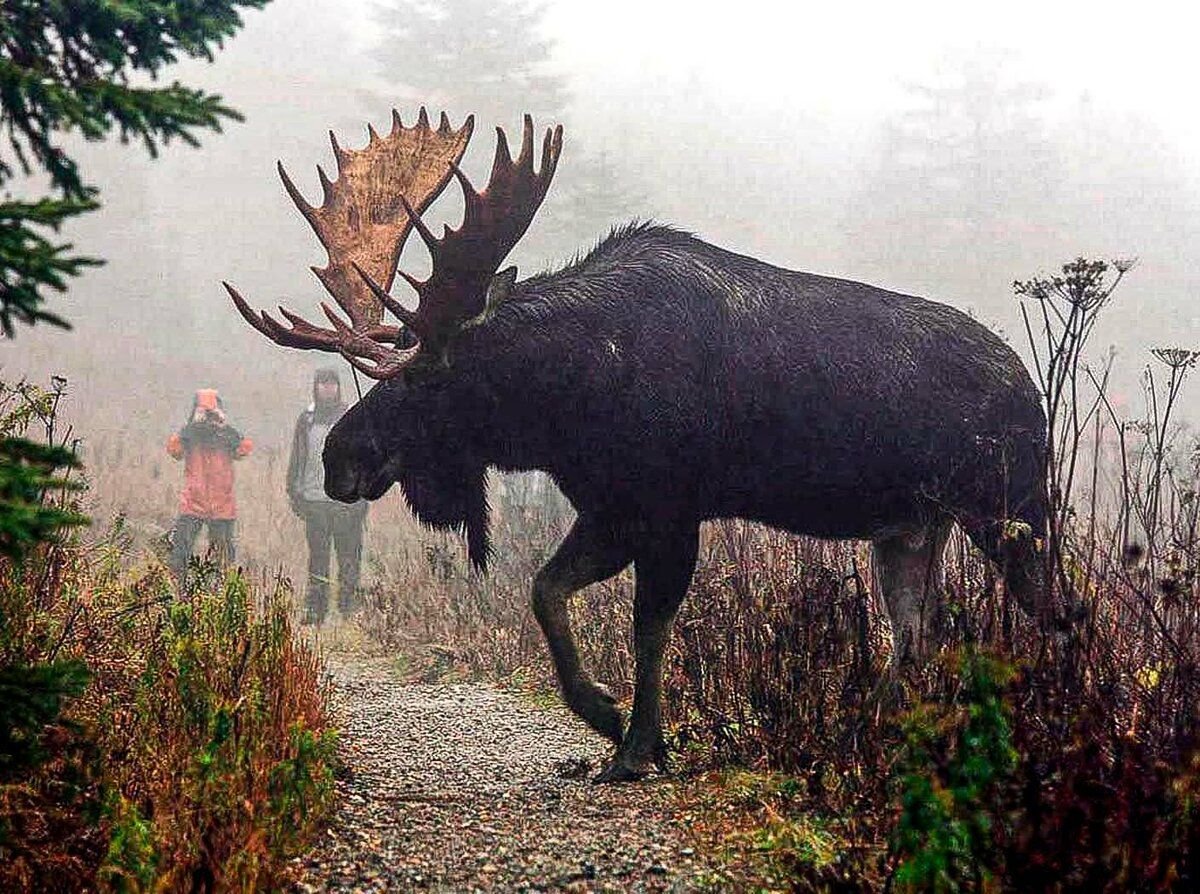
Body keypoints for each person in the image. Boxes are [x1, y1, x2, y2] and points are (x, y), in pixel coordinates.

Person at [287, 368, 369, 624]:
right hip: (314, 501)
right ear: (316, 387)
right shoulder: (306, 419)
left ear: (338, 387)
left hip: (346, 501)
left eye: (332, 383)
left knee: (349, 557)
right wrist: (294, 491)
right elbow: (297, 457)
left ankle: (348, 609)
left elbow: (364, 459)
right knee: (318, 559)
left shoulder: (351, 417)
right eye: (323, 383)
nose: (327, 388)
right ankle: (315, 610)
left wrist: (363, 496)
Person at [166, 388, 252, 586]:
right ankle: (179, 593)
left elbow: (244, 449)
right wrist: (191, 427)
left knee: (222, 559)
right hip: (192, 503)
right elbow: (174, 450)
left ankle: (219, 596)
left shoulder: (226, 436)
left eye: (211, 413)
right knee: (180, 554)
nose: (208, 419)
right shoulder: (190, 435)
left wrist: (225, 427)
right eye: (205, 413)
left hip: (222, 506)